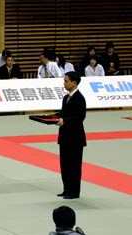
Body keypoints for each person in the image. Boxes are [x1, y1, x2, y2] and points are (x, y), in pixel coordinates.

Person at [55, 71, 86, 199]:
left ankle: (74, 191)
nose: (64, 83)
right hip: (65, 136)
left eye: (66, 81)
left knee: (74, 165)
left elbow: (80, 117)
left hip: (75, 137)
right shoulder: (66, 98)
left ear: (74, 83)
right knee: (65, 164)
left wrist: (64, 121)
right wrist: (51, 117)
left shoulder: (79, 98)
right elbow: (63, 113)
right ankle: (67, 188)